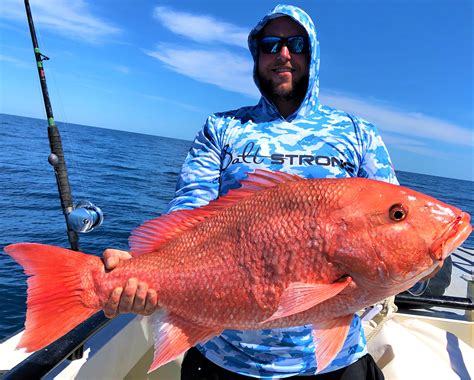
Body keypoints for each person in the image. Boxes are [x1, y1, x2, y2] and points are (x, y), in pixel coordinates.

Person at [103, 4, 399, 379]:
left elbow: (391, 221)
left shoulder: (358, 134)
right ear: (256, 55)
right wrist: (143, 270)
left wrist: (422, 257)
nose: (284, 54)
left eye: (296, 43)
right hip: (222, 356)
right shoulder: (222, 128)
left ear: (314, 53)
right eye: (271, 44)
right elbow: (189, 209)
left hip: (333, 361)